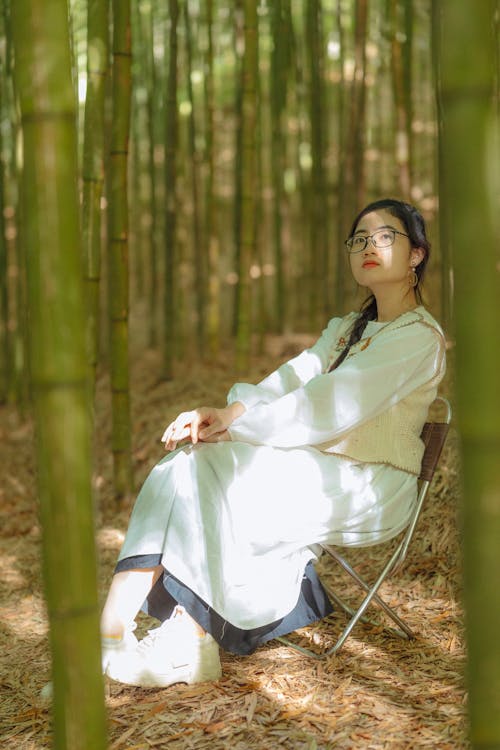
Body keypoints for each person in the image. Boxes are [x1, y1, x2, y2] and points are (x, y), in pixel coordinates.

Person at [100, 198, 446, 688]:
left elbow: (329, 404)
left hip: (372, 486)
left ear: (416, 254)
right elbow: (291, 378)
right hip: (317, 468)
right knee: (186, 463)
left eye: (386, 236)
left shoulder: (418, 338)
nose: (370, 246)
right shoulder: (346, 329)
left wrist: (237, 429)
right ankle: (108, 641)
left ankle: (190, 640)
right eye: (360, 239)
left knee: (223, 470)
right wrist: (225, 415)